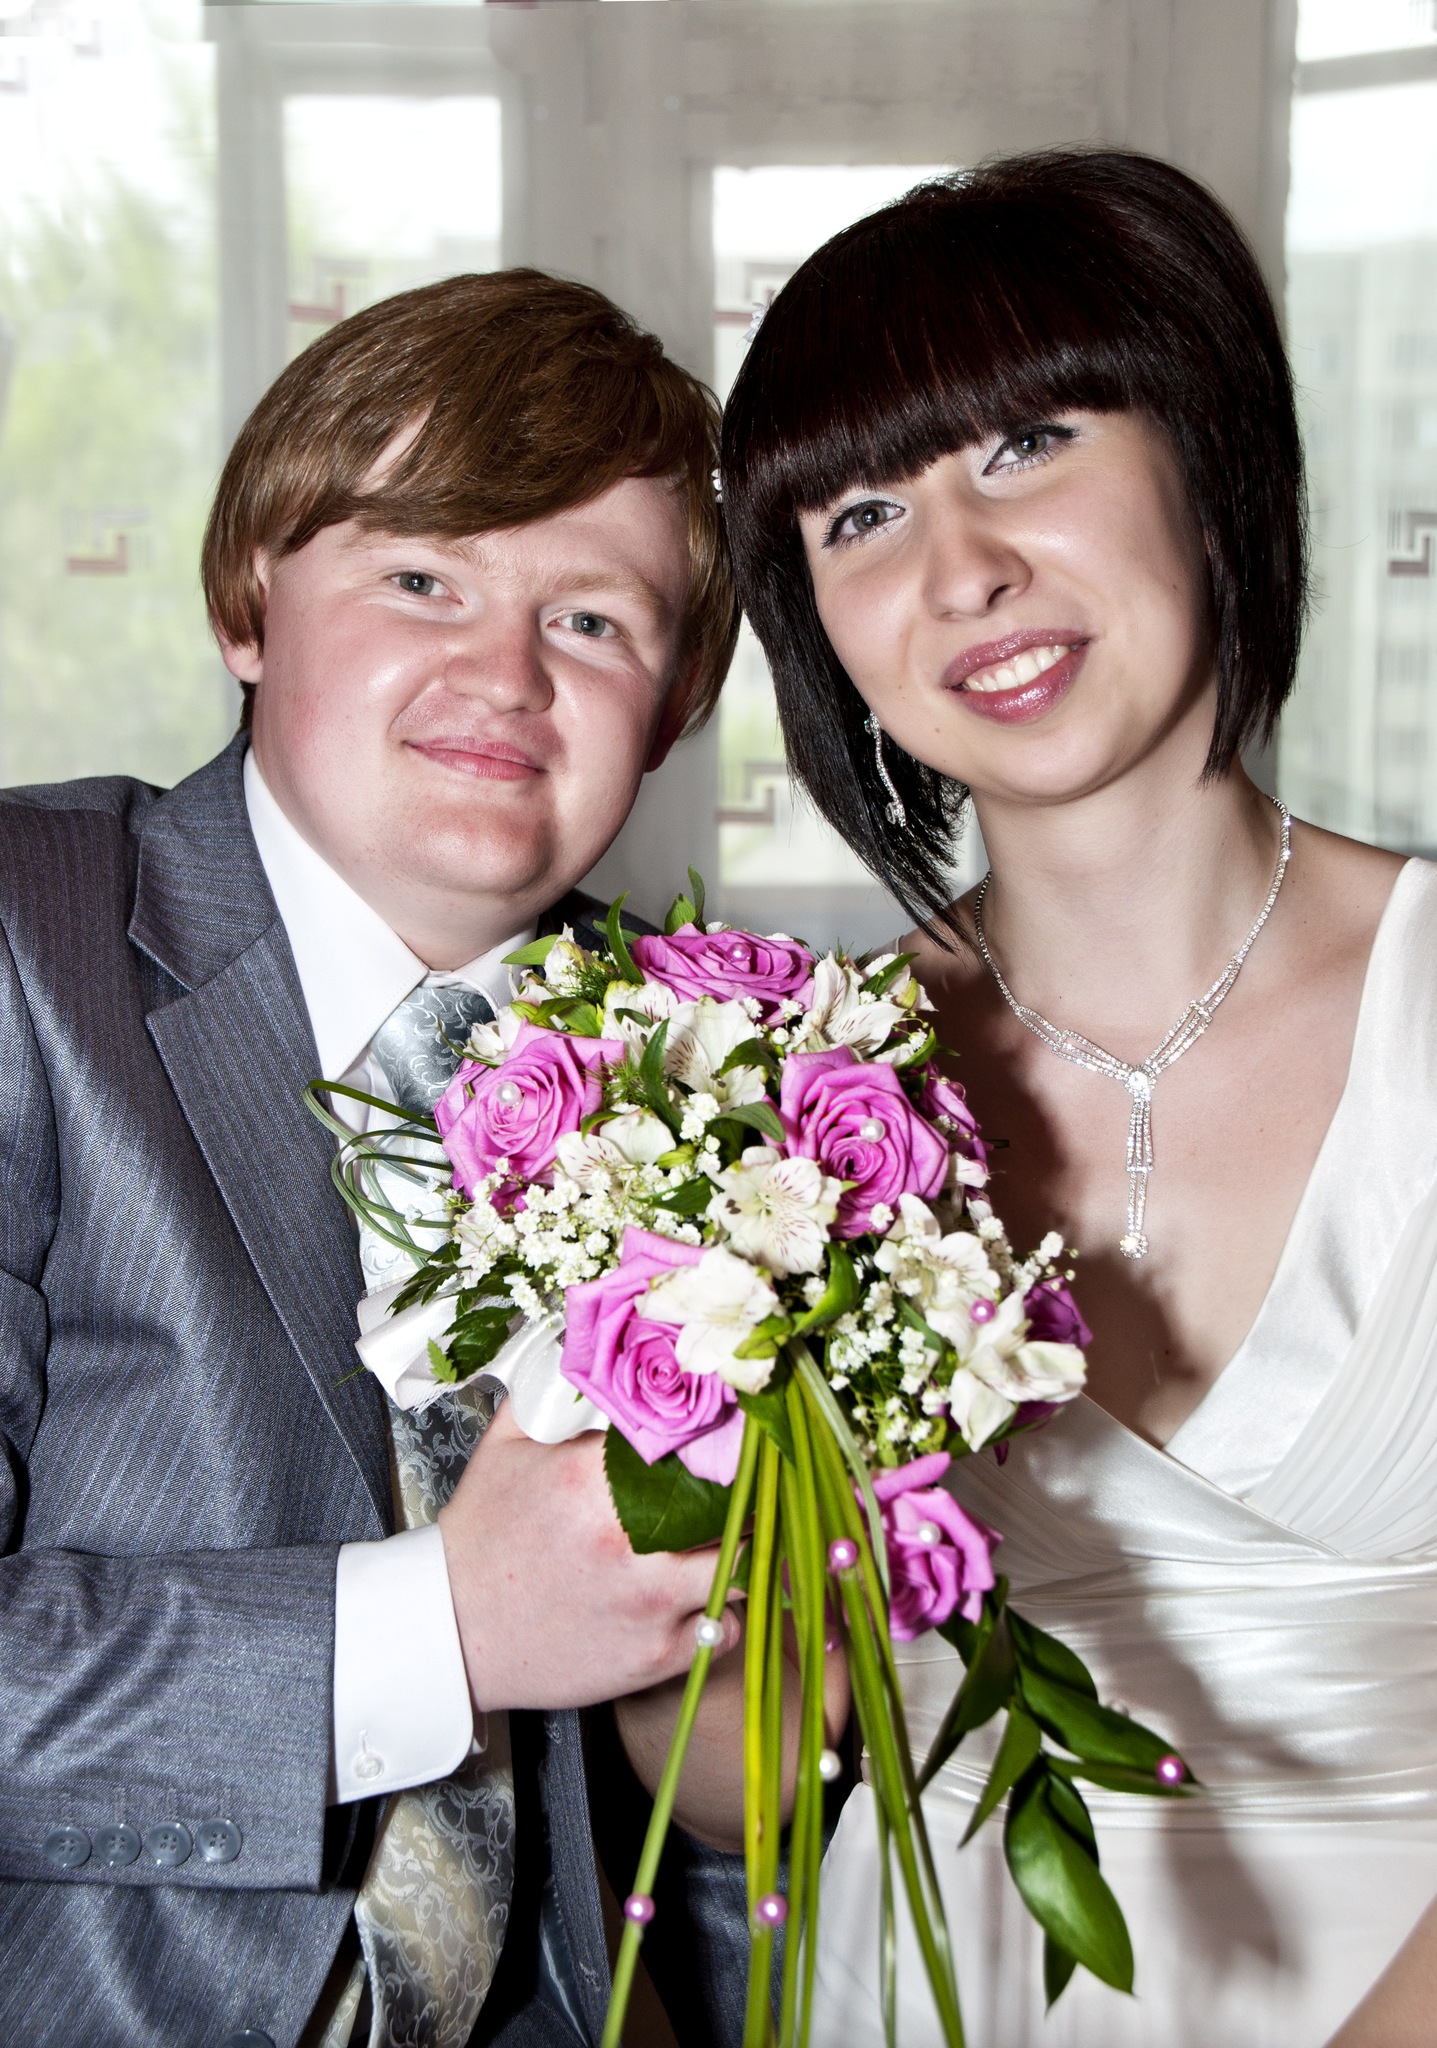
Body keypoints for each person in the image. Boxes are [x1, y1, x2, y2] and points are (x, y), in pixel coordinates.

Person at [719, 149, 1437, 2048]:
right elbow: (730, 1791)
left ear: (1205, 452)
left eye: (1026, 445)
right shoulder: (768, 1118)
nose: (959, 570)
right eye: (863, 514)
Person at [0, 268, 744, 2048]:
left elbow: (691, 1830)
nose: (505, 676)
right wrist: (444, 1627)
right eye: (422, 581)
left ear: (673, 704)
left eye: (592, 621)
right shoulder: (27, 941)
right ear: (249, 602)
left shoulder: (713, 1067)